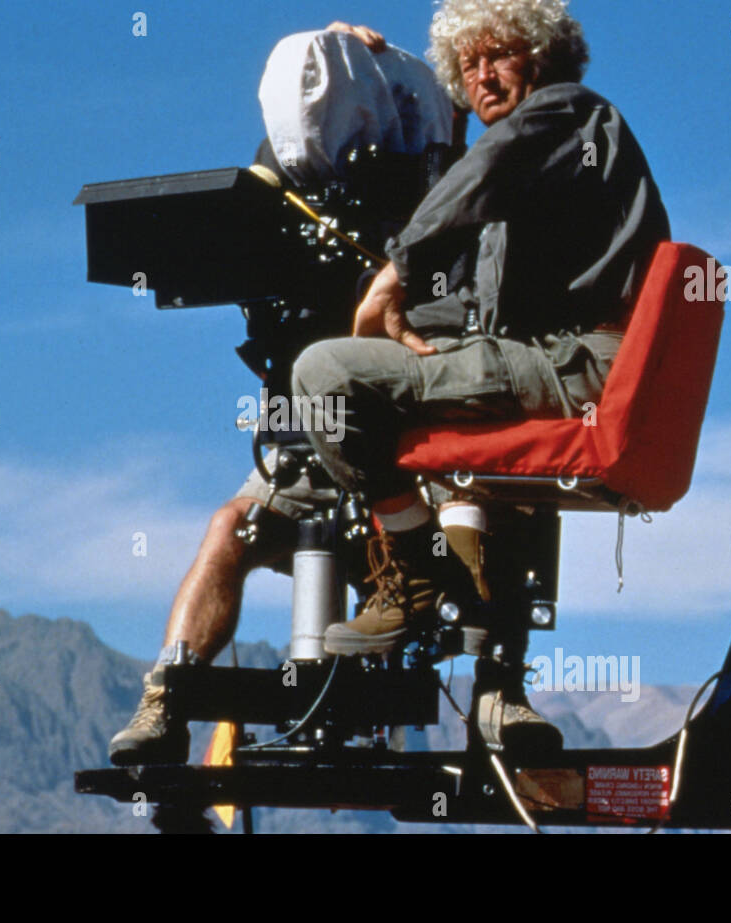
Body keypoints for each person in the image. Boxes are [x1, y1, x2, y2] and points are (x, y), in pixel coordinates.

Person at [109, 0, 670, 766]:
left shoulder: (568, 118)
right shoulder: (502, 166)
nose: (481, 76)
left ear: (541, 55)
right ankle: (167, 698)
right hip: (454, 397)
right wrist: (343, 75)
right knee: (231, 526)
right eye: (466, 64)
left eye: (498, 55)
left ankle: (494, 686)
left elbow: (483, 169)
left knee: (464, 482)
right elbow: (427, 176)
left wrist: (392, 276)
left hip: (555, 370)